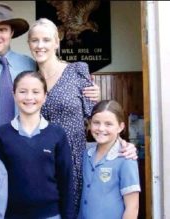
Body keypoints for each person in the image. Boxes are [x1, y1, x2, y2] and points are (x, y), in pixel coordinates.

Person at [0, 3, 99, 178]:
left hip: (25, 155)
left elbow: (55, 81)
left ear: (11, 32)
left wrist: (89, 89)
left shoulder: (28, 64)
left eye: (2, 29)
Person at [27, 18, 138, 212]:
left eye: (46, 40)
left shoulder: (77, 71)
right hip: (41, 163)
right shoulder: (30, 80)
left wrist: (122, 144)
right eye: (34, 40)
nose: (40, 45)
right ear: (29, 44)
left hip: (74, 161)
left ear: (57, 42)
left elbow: (97, 117)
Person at [0, 71, 75, 219]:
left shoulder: (57, 134)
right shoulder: (1, 135)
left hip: (51, 215)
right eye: (23, 91)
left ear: (45, 96)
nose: (29, 97)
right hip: (11, 215)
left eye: (36, 92)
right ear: (14, 94)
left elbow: (66, 180)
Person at [78, 100, 140, 219]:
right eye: (96, 123)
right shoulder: (86, 153)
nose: (101, 128)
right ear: (90, 124)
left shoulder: (126, 158)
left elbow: (132, 207)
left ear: (120, 127)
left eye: (108, 124)